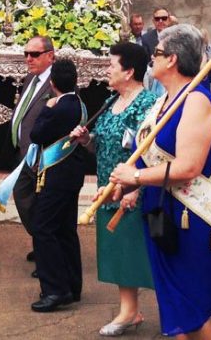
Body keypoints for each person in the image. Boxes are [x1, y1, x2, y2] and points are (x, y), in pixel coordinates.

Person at [110, 24, 211, 339]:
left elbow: (188, 167)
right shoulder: (165, 101)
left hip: (193, 217)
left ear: (173, 59)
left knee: (190, 306)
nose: (152, 57)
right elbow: (151, 155)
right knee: (176, 305)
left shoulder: (195, 101)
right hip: (163, 212)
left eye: (158, 52)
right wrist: (126, 185)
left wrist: (135, 176)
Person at [70, 43, 155, 333]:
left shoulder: (147, 105)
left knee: (141, 252)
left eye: (112, 65)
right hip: (108, 190)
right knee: (119, 251)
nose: (106, 69)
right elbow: (105, 142)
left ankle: (179, 311)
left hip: (134, 191)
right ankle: (129, 311)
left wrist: (136, 187)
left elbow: (150, 150)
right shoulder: (111, 100)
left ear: (129, 71)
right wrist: (86, 140)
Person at [29, 59, 86, 312]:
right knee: (65, 230)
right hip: (72, 175)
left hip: (56, 174)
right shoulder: (79, 104)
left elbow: (37, 134)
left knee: (43, 229)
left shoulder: (58, 107)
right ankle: (72, 286)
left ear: (52, 83)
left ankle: (55, 289)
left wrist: (47, 109)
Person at [8, 36, 56, 245]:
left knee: (39, 204)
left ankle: (46, 248)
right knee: (24, 197)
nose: (29, 59)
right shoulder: (30, 78)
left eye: (34, 54)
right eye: (26, 54)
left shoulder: (56, 82)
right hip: (24, 153)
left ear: (50, 56)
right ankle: (41, 243)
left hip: (43, 156)